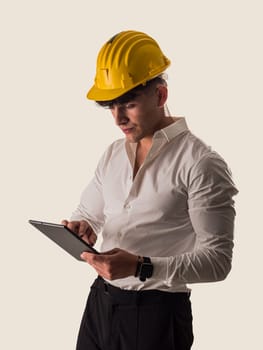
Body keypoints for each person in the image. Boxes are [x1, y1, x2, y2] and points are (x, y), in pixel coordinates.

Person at [62, 30, 238, 350]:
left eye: (128, 104)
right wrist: (83, 227)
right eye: (111, 106)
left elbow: (218, 261)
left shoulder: (201, 163)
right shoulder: (114, 153)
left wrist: (142, 265)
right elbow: (89, 212)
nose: (118, 118)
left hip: (157, 314)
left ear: (160, 96)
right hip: (99, 304)